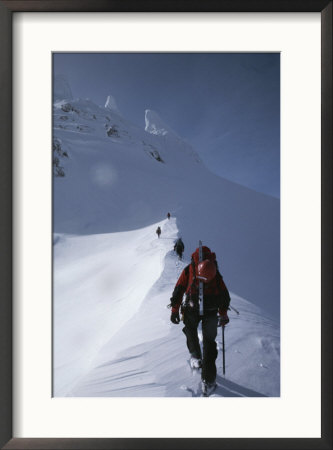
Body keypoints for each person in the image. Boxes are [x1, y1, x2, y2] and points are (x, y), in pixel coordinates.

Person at [169, 245, 230, 395]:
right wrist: (222, 314)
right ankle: (208, 379)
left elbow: (179, 289)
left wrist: (175, 310)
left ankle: (196, 357)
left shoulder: (191, 269)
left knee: (191, 330)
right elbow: (224, 296)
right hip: (209, 310)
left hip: (193, 308)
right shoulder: (212, 270)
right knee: (209, 342)